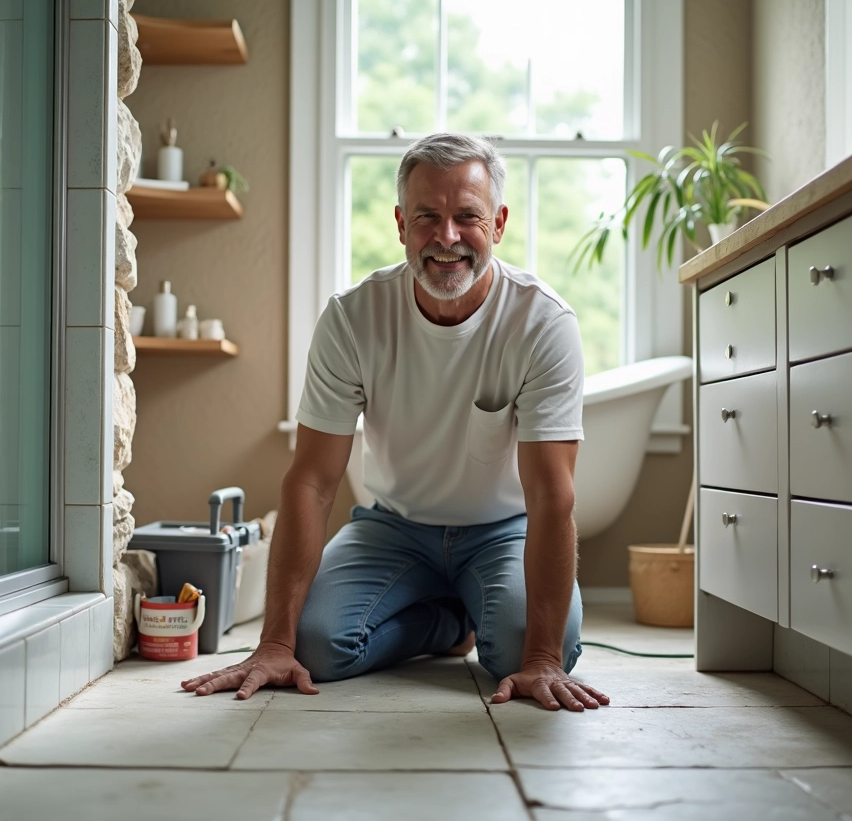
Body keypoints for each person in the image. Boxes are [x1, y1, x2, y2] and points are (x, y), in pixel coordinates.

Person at [182, 133, 609, 712]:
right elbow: (311, 481)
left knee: (522, 654)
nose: (447, 237)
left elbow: (551, 497)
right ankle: (446, 624)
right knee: (315, 648)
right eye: (427, 216)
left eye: (467, 217)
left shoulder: (542, 323)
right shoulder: (353, 318)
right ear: (401, 223)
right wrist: (273, 644)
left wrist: (541, 661)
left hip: (504, 530)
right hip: (393, 528)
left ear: (499, 223)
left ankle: (492, 626)